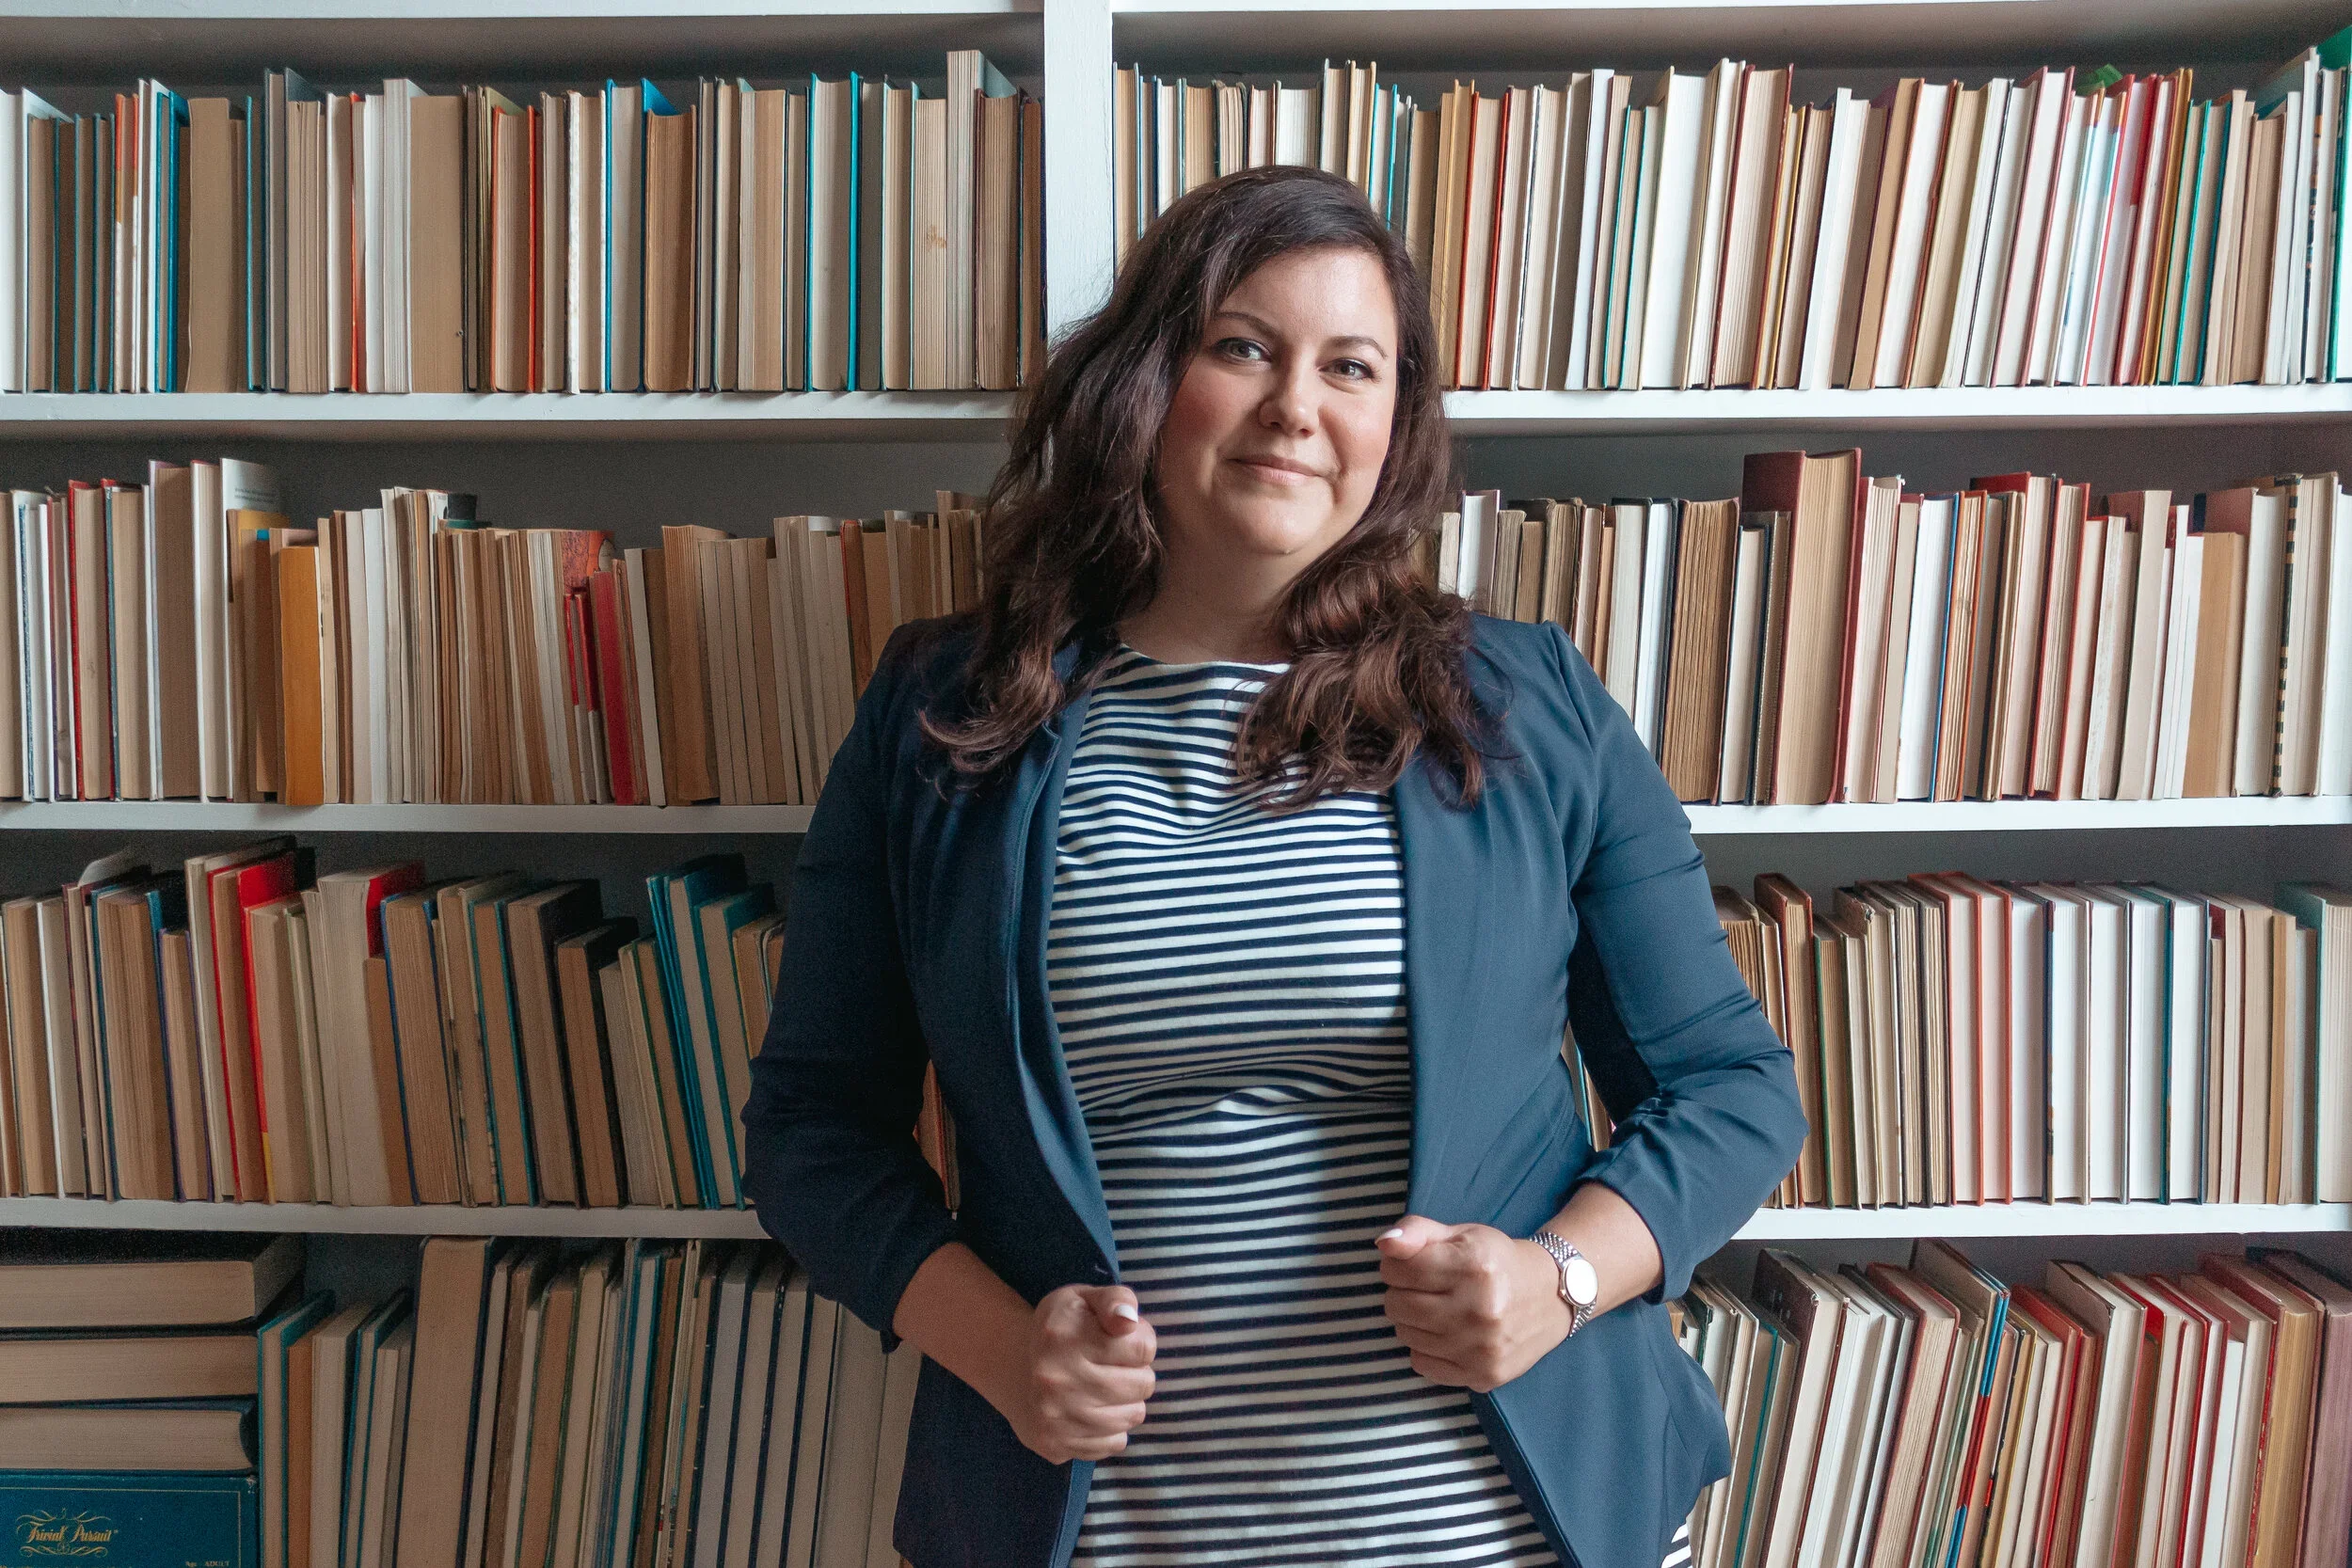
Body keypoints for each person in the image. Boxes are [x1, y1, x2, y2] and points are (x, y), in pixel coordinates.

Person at [740, 164, 1807, 1568]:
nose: (1296, 405)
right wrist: (1003, 1351)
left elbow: (1733, 1087)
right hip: (1104, 1534)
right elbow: (813, 1129)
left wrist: (1559, 1277)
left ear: (1393, 423)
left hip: (1508, 1531)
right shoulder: (948, 715)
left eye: (1350, 366)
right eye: (1242, 346)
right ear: (1146, 376)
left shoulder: (1524, 701)